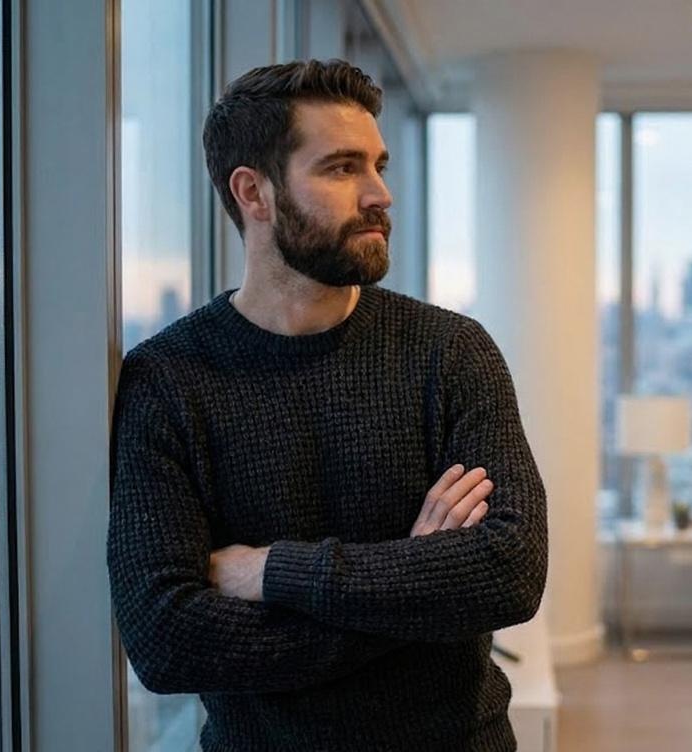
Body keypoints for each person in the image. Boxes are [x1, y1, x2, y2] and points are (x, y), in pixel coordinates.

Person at [106, 59, 548, 752]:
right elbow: (166, 643)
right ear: (254, 192)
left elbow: (508, 574)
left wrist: (275, 571)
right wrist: (411, 581)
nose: (380, 194)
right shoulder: (169, 380)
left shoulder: (451, 352)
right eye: (342, 168)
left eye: (378, 165)